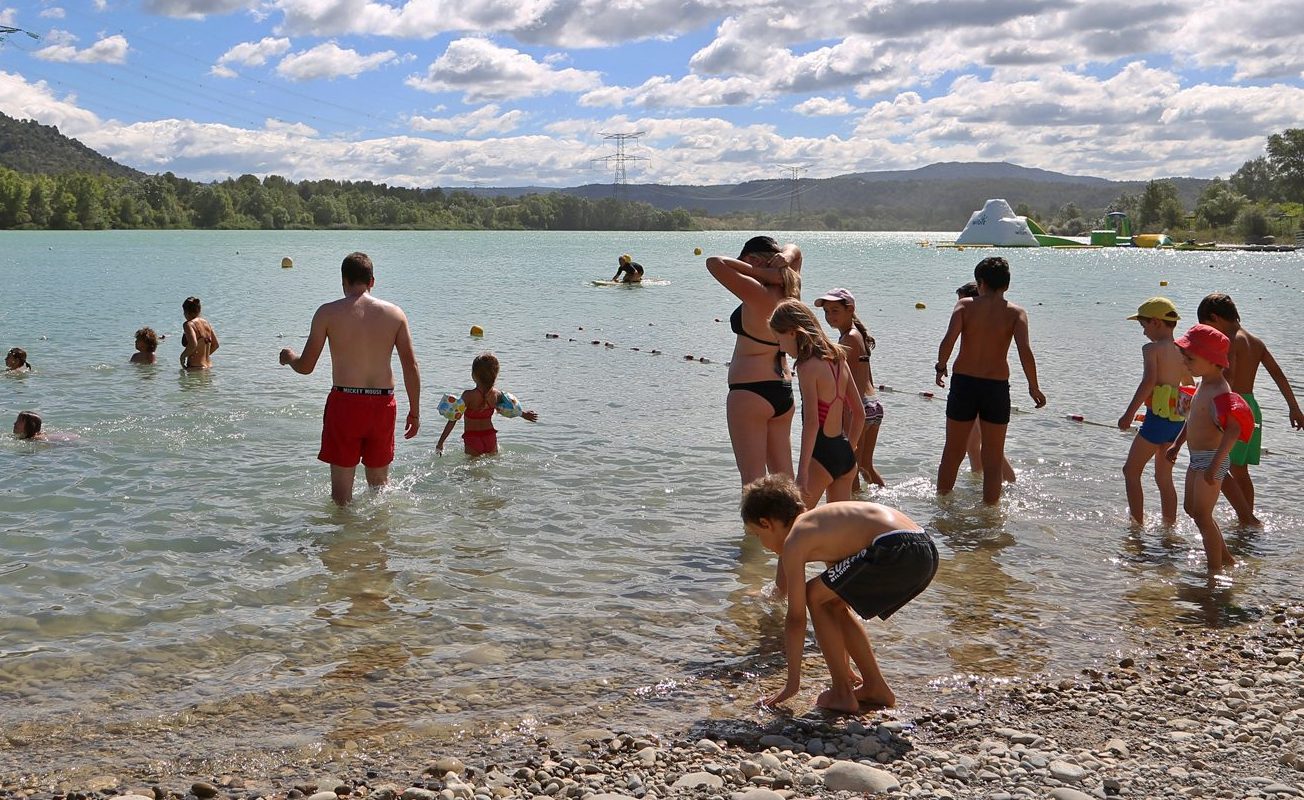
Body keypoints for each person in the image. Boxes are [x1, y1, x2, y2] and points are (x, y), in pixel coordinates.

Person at [740, 474, 937, 712]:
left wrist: (792, 684)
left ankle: (842, 692)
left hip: (895, 548)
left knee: (813, 594)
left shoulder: (795, 540)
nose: (763, 544)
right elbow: (836, 609)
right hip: (923, 548)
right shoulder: (824, 526)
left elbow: (795, 618)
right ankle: (875, 687)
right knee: (831, 602)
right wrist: (843, 666)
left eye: (758, 536)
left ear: (766, 523)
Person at [279, 252, 421, 506]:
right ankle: (376, 542)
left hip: (345, 403)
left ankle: (342, 544)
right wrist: (415, 411)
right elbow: (410, 366)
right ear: (372, 281)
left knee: (341, 498)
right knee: (380, 491)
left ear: (343, 281)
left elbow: (306, 366)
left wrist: (290, 357)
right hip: (383, 404)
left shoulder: (327, 313)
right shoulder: (396, 314)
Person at [934, 257, 1046, 504]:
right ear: (1006, 285)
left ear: (980, 283)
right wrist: (1033, 386)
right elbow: (1025, 351)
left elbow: (948, 340)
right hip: (995, 387)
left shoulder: (964, 306)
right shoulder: (1016, 313)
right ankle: (990, 512)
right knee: (993, 456)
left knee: (953, 451)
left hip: (964, 383)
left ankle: (942, 504)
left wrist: (940, 367)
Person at [1197, 293, 1303, 526]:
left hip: (1230, 404)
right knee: (1240, 469)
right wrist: (1294, 408)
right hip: (1251, 408)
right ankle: (1245, 517)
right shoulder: (1255, 341)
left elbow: (1229, 375)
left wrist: (1207, 398)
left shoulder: (1228, 340)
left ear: (1215, 318)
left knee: (1219, 464)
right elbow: (1277, 374)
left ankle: (1247, 517)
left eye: (1207, 327)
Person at [706, 236, 802, 486]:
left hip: (750, 392)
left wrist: (758, 272)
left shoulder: (757, 291)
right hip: (783, 392)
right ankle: (796, 525)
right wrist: (782, 263)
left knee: (753, 482)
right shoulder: (792, 288)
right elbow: (796, 251)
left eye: (744, 263)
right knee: (785, 480)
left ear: (754, 260)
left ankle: (753, 527)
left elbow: (714, 262)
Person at [1165, 324, 1253, 572]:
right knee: (1191, 509)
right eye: (1184, 357)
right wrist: (1177, 444)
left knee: (1203, 515)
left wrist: (1217, 465)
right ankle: (1225, 558)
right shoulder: (1204, 384)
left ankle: (1215, 571)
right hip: (1197, 458)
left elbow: (1234, 430)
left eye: (1190, 358)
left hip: (1212, 459)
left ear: (1214, 361)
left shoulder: (1220, 392)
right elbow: (1192, 419)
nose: (1185, 362)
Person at [769, 299, 864, 509]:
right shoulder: (839, 358)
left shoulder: (806, 366)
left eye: (779, 339)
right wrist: (850, 449)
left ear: (793, 332)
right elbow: (859, 413)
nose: (781, 347)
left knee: (793, 524)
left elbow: (812, 422)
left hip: (822, 458)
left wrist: (802, 472)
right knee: (838, 532)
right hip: (845, 455)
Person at [1117, 298, 1193, 526]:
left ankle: (1136, 525)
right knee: (1164, 478)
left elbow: (1149, 382)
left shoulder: (1151, 349)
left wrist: (1129, 414)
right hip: (1177, 421)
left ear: (1157, 322)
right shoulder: (1183, 350)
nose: (1144, 333)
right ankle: (1169, 527)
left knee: (1130, 471)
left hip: (1157, 420)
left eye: (1144, 327)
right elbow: (1189, 383)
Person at [815, 288, 885, 489]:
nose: (829, 316)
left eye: (835, 310)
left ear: (850, 309)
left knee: (850, 469)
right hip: (874, 406)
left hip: (858, 409)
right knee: (865, 466)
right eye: (826, 311)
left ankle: (854, 507)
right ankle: (885, 503)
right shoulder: (858, 335)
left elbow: (837, 375)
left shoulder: (848, 339)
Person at [954, 282, 1015, 484]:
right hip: (976, 384)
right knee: (972, 444)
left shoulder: (974, 313)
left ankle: (1010, 482)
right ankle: (976, 480)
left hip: (981, 385)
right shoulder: (974, 314)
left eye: (961, 299)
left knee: (991, 447)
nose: (958, 304)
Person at [435, 351, 539, 456]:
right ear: (495, 375)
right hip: (490, 437)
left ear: (473, 375)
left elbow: (453, 419)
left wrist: (440, 443)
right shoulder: (496, 395)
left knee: (473, 470)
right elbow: (510, 409)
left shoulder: (468, 395)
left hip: (472, 438)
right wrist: (524, 414)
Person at [179, 297, 219, 370]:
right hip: (209, 367)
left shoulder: (188, 324)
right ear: (199, 310)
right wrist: (203, 356)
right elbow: (215, 345)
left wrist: (182, 357)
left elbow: (193, 344)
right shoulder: (206, 323)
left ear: (186, 312)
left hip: (195, 368)